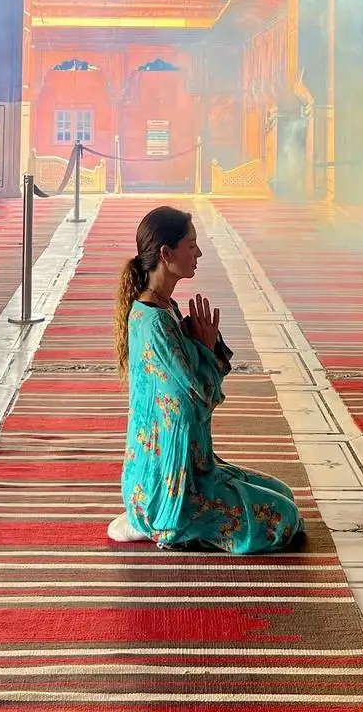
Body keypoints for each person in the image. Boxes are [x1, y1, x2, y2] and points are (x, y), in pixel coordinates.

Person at [106, 205, 304, 553]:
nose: (198, 252)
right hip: (171, 487)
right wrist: (207, 349)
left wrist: (204, 348)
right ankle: (160, 525)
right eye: (191, 244)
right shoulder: (155, 324)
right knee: (282, 520)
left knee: (283, 494)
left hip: (194, 468)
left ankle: (153, 520)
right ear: (167, 254)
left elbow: (194, 382)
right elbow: (193, 403)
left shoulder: (165, 308)